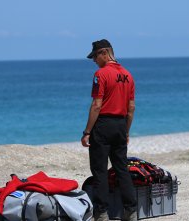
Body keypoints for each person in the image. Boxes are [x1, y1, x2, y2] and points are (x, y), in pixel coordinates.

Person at [81, 39, 137, 221]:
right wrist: (126, 131)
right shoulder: (128, 76)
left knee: (100, 171)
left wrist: (87, 132)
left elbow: (97, 105)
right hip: (121, 125)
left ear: (104, 53)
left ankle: (102, 213)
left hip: (104, 125)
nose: (93, 61)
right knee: (122, 169)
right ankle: (131, 211)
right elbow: (131, 109)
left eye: (95, 56)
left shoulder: (101, 74)